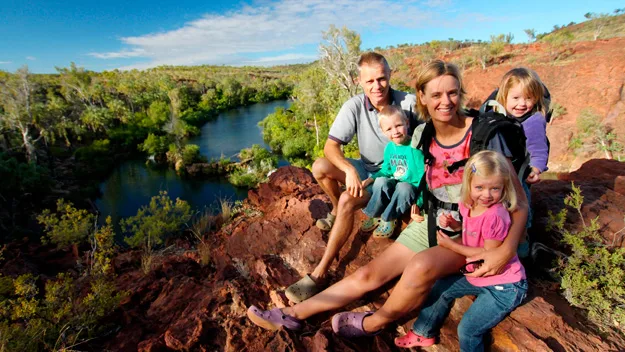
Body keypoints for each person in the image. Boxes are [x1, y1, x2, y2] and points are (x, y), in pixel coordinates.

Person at [247, 60, 528, 344]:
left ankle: (374, 323)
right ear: (422, 97)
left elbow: (519, 203)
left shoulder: (485, 135)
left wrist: (505, 251)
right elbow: (420, 176)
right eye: (436, 95)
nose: (446, 102)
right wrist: (418, 203)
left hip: (473, 234)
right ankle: (293, 314)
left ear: (460, 92)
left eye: (452, 93)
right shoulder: (422, 134)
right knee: (370, 273)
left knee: (420, 267)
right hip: (434, 222)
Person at [284, 52, 417, 303]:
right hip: (367, 168)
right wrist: (349, 170)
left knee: (348, 199)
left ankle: (320, 273)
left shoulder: (407, 103)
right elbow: (330, 146)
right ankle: (336, 210)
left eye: (381, 79)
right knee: (320, 166)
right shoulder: (355, 105)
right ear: (359, 81)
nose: (376, 86)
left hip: (394, 175)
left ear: (390, 76)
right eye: (369, 81)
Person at [394, 150, 527, 351]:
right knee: (440, 288)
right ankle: (423, 332)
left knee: (467, 330)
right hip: (479, 275)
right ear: (469, 184)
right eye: (480, 187)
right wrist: (456, 226)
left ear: (504, 188)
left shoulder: (495, 216)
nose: (486, 195)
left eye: (495, 189)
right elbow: (472, 230)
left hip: (503, 286)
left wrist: (452, 245)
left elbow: (488, 255)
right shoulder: (468, 204)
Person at [495, 67, 550, 257]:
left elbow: (539, 147)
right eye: (516, 98)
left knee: (520, 211)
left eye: (528, 98)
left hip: (520, 176)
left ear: (535, 98)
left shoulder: (533, 120)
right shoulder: (500, 116)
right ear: (505, 97)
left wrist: (535, 168)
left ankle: (523, 249)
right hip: (502, 176)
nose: (522, 104)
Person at [360, 105, 425, 238]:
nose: (395, 131)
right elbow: (386, 170)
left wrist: (418, 203)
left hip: (409, 189)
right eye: (389, 129)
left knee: (404, 187)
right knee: (381, 181)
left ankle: (389, 217)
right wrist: (371, 179)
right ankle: (375, 214)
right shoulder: (390, 147)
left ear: (407, 123)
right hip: (395, 184)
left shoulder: (415, 147)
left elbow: (425, 178)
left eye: (399, 125)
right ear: (383, 132)